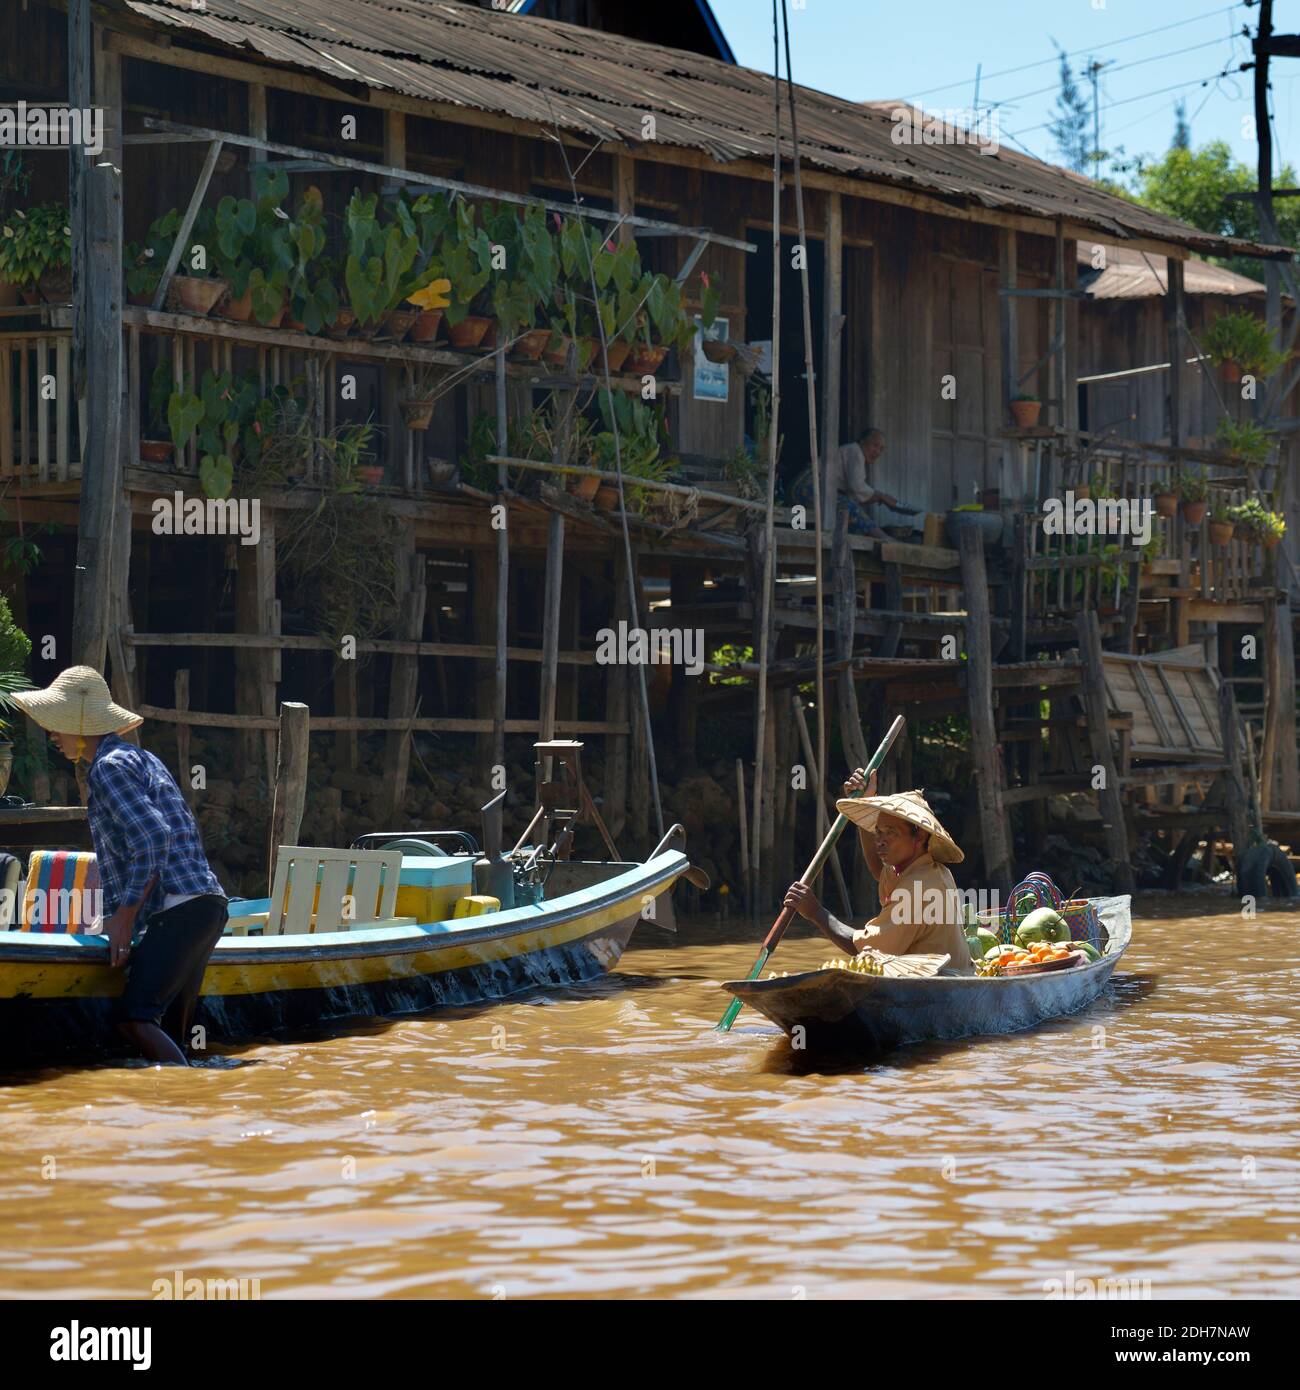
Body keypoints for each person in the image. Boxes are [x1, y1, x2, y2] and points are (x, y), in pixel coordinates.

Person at [14, 666, 228, 1064]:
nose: (52, 735)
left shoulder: (108, 768)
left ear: (78, 727)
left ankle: (189, 1099)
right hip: (207, 906)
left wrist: (124, 918)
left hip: (180, 910)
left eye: (57, 727)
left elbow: (153, 836)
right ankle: (193, 1115)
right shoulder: (140, 758)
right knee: (170, 1038)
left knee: (135, 1020)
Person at [783, 769, 974, 974]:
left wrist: (815, 912)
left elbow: (864, 948)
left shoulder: (920, 886)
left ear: (919, 837)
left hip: (944, 986)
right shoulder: (926, 870)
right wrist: (867, 798)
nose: (880, 842)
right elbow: (878, 870)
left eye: (891, 833)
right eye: (878, 832)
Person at [792, 428, 900, 539]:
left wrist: (878, 498)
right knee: (849, 507)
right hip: (806, 487)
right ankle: (885, 538)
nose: (877, 452)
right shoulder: (855, 451)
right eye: (875, 445)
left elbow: (856, 494)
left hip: (810, 490)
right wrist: (881, 496)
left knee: (849, 508)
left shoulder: (855, 455)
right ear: (862, 441)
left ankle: (880, 537)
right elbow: (857, 486)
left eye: (881, 449)